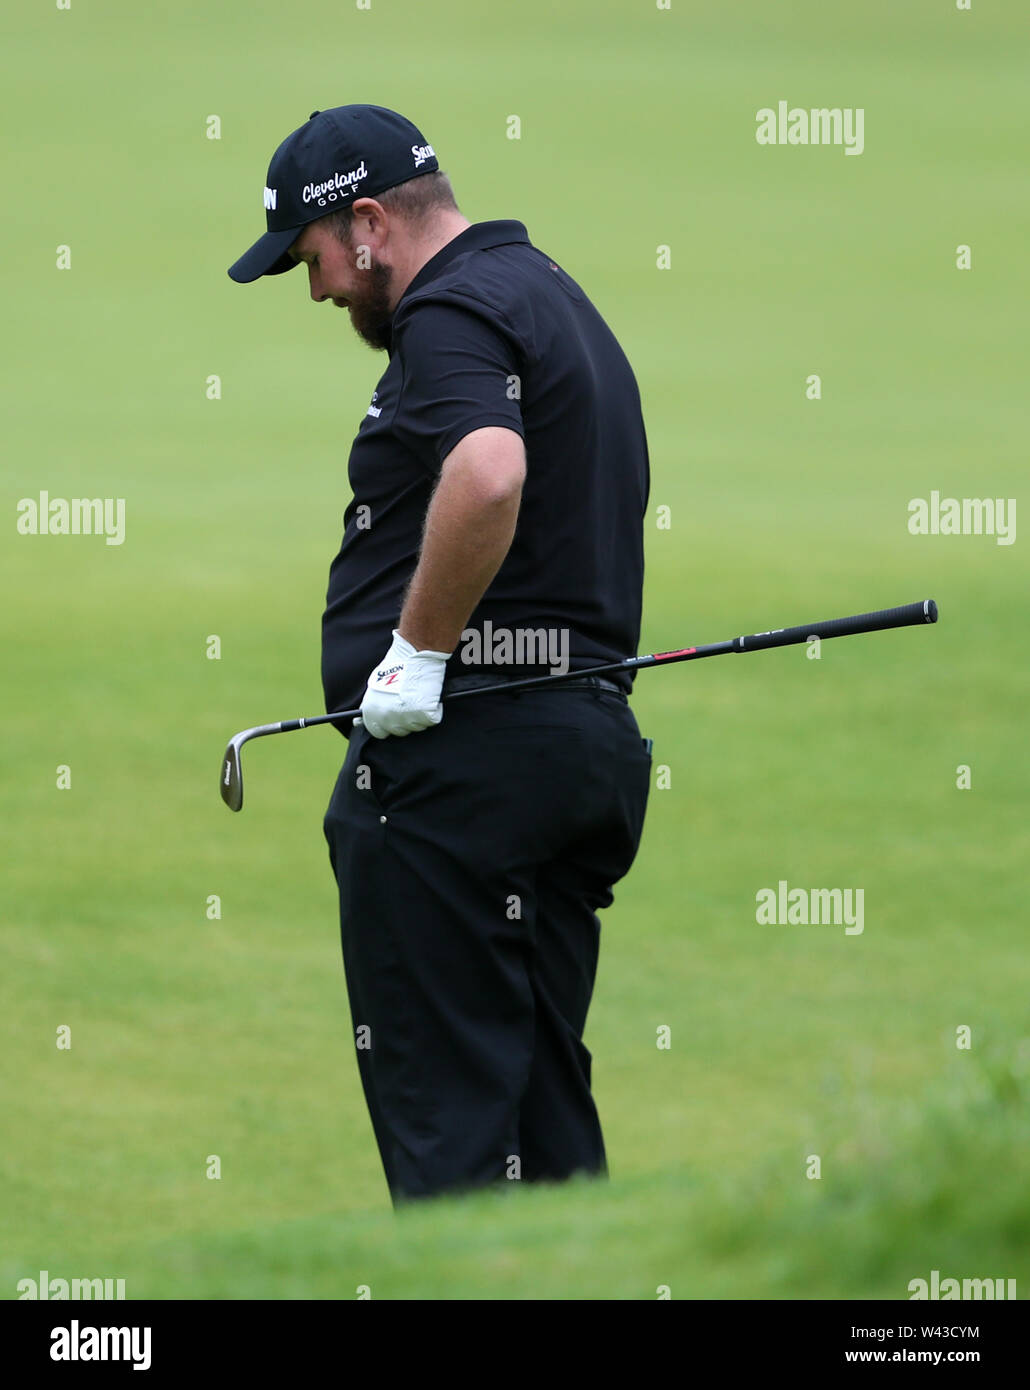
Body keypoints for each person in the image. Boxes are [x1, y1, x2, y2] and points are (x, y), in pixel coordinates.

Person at [229, 103, 652, 1206]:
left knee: (452, 1148)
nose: (317, 290)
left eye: (311, 259)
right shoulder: (547, 292)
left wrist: (412, 657)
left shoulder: (450, 310)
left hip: (460, 777)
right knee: (546, 1129)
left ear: (366, 224)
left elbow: (489, 470)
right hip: (576, 758)